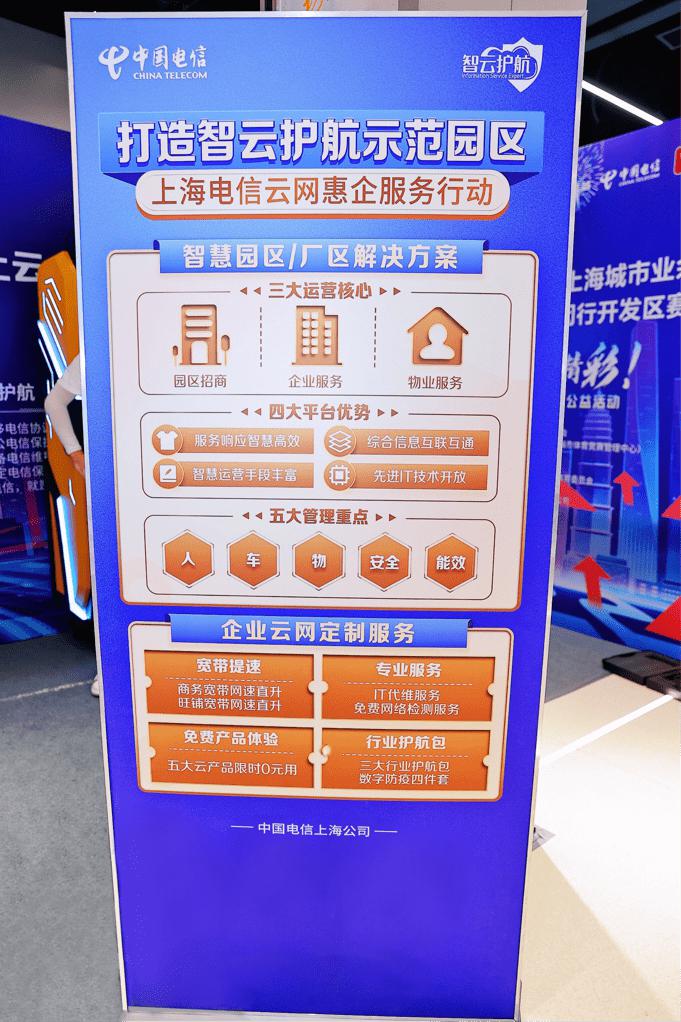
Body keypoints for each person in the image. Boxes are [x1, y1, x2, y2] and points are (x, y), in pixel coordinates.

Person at [44, 354, 99, 697]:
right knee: (112, 574)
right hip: (114, 476)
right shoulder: (101, 341)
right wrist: (76, 452)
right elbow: (55, 402)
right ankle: (111, 667)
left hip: (175, 473)